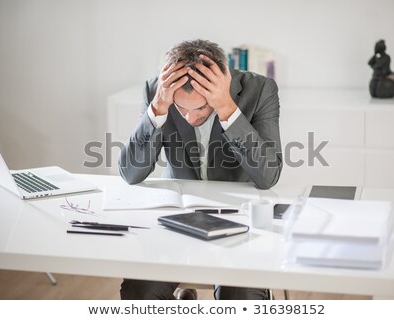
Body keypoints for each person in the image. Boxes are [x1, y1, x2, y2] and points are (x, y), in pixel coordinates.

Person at [118, 39, 283, 300]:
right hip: (177, 221)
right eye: (181, 107)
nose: (191, 118)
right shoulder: (156, 90)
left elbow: (267, 176)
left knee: (240, 296)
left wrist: (226, 108)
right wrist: (159, 107)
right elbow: (130, 172)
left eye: (202, 107)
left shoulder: (260, 89)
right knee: (139, 292)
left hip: (240, 223)